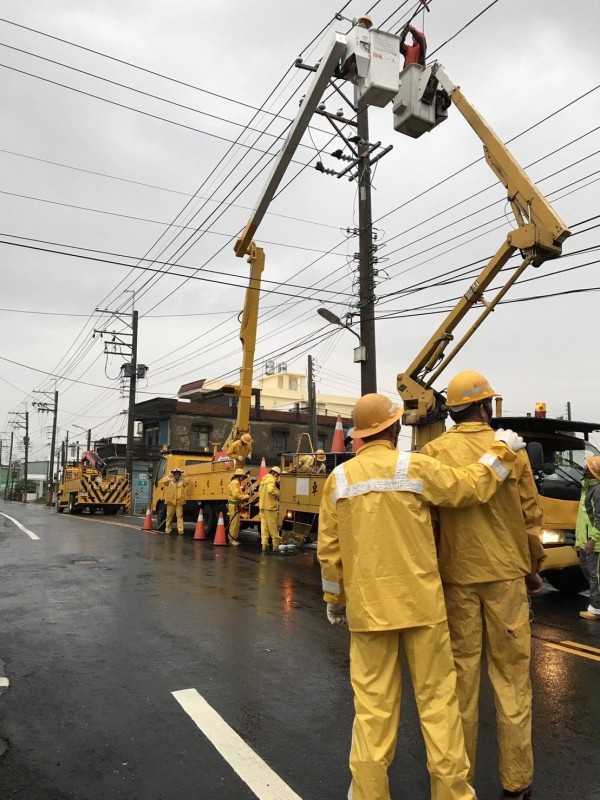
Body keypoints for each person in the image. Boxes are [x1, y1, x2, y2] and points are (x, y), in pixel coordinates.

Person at [318, 392, 526, 800]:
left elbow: (330, 553)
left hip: (369, 612)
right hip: (422, 608)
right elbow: (469, 488)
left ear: (360, 437)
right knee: (439, 708)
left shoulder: (338, 481)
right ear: (394, 427)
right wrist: (502, 449)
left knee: (372, 714)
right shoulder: (413, 467)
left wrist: (335, 601)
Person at [421, 370, 544, 800]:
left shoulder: (433, 451)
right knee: (513, 681)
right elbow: (530, 517)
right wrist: (533, 568)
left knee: (460, 681)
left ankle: (459, 780)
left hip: (456, 578)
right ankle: (517, 782)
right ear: (484, 405)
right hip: (507, 576)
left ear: (452, 410)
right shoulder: (510, 451)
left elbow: (430, 521)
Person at [575, 454, 600, 620]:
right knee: (588, 571)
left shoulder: (597, 490)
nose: (583, 468)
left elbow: (599, 517)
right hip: (584, 540)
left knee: (594, 575)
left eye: (587, 466)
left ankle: (596, 608)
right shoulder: (587, 486)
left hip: (594, 542)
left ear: (592, 471)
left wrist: (593, 539)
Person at [159, 468, 189, 535]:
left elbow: (188, 481)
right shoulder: (169, 481)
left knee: (180, 516)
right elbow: (163, 481)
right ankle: (168, 530)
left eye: (178, 474)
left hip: (179, 502)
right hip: (170, 502)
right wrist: (170, 474)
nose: (177, 475)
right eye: (176, 474)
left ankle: (180, 531)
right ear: (174, 474)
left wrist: (183, 474)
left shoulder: (182, 482)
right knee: (169, 516)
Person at [259, 466, 281, 553]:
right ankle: (275, 545)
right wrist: (279, 493)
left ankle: (264, 545)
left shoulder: (264, 479)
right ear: (275, 473)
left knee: (264, 527)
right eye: (277, 475)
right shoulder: (271, 479)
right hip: (270, 507)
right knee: (273, 526)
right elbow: (271, 490)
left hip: (262, 506)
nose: (277, 477)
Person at [227, 468, 249, 546]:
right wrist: (245, 496)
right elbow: (236, 495)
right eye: (242, 476)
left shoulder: (236, 483)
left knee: (236, 523)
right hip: (233, 505)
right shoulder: (235, 483)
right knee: (233, 523)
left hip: (236, 505)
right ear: (239, 476)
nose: (243, 478)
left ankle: (234, 538)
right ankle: (232, 539)